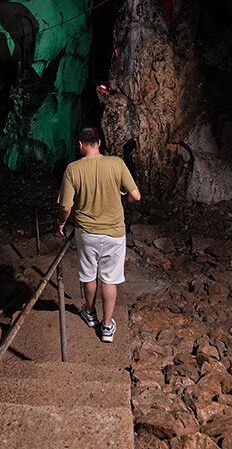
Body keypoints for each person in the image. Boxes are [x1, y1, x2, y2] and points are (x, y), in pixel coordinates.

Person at [56, 126, 141, 342]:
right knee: (110, 280)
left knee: (89, 275)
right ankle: (107, 326)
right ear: (99, 143)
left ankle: (90, 312)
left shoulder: (73, 169)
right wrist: (124, 197)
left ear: (80, 145)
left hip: (87, 233)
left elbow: (66, 206)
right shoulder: (116, 163)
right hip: (114, 232)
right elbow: (136, 196)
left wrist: (62, 223)